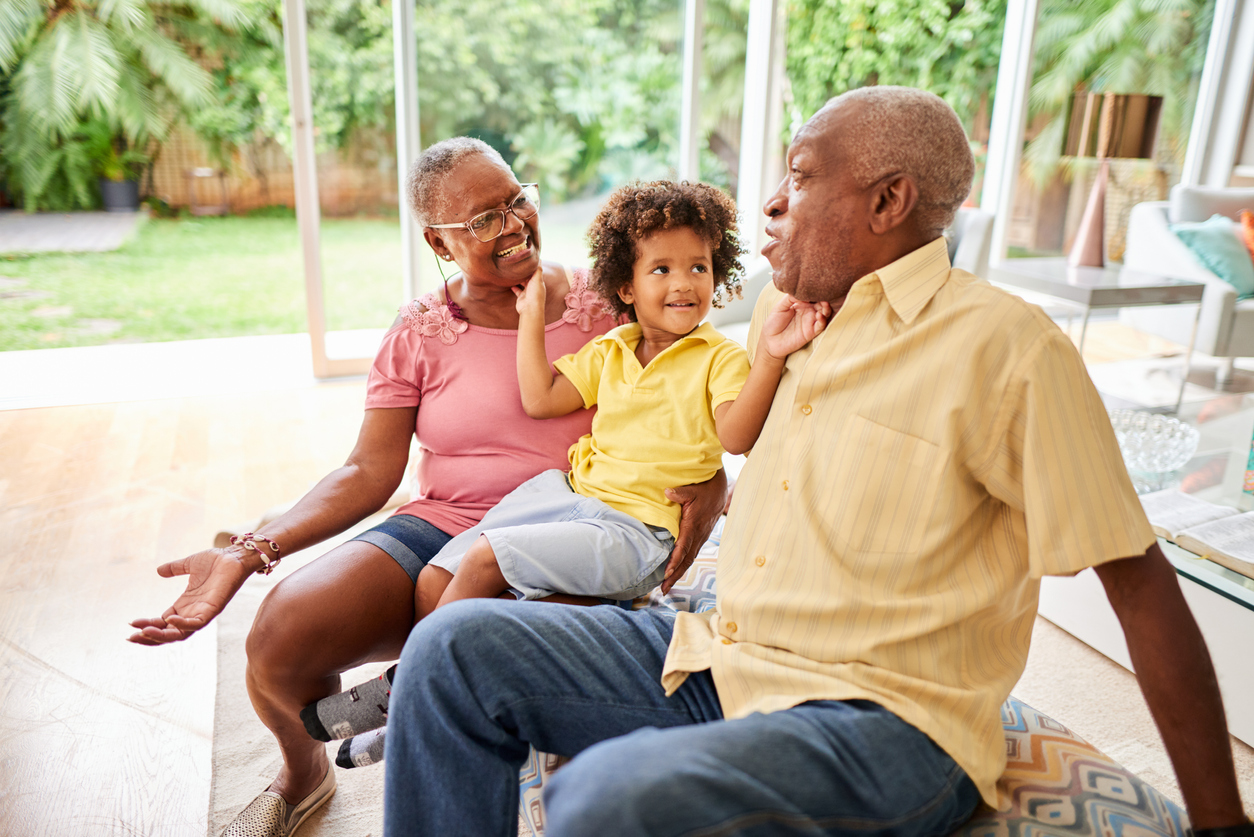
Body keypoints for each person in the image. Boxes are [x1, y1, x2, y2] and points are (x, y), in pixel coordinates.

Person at [379, 87, 1253, 837]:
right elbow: (734, 438)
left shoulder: (1008, 348)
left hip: (885, 719)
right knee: (451, 646)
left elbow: (1137, 579)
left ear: (888, 201)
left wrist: (1221, 820)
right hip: (723, 656)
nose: (768, 203)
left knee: (604, 794)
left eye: (799, 177)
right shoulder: (788, 321)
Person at [126, 138, 728, 837]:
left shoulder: (612, 301)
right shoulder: (420, 329)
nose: (510, 224)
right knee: (279, 636)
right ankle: (305, 771)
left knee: (520, 651)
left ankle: (482, 753)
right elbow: (365, 471)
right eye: (481, 219)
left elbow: (692, 388)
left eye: (515, 200)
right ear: (436, 240)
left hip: (585, 517)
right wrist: (254, 548)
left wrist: (712, 478)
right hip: (446, 522)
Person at [301, 181, 830, 757]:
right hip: (569, 501)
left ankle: (404, 700)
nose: (683, 283)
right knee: (434, 580)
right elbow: (542, 398)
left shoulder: (719, 358)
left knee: (484, 560)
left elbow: (737, 435)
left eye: (698, 267)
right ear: (626, 286)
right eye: (662, 270)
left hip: (636, 530)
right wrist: (531, 317)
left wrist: (772, 356)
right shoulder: (612, 349)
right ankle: (459, 687)